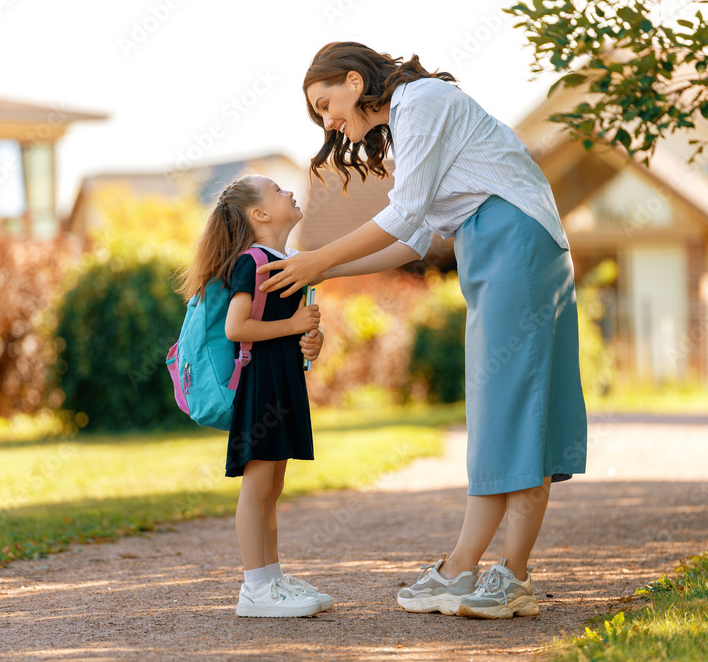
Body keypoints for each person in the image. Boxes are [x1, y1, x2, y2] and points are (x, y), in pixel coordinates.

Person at [257, 42, 588, 620]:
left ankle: (503, 576)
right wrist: (324, 271)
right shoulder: (414, 122)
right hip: (493, 244)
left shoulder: (422, 101)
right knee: (503, 403)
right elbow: (412, 240)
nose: (327, 121)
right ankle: (467, 569)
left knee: (512, 402)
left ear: (356, 82)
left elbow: (404, 214)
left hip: (512, 239)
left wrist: (314, 259)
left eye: (326, 103)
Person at [180, 174, 333, 618]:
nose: (290, 191)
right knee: (258, 485)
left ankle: (272, 579)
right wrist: (293, 327)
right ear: (260, 214)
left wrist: (311, 339)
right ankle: (255, 588)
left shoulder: (285, 261)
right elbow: (237, 327)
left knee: (274, 485)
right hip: (260, 386)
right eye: (277, 189)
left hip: (282, 380)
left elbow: (292, 330)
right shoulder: (253, 262)